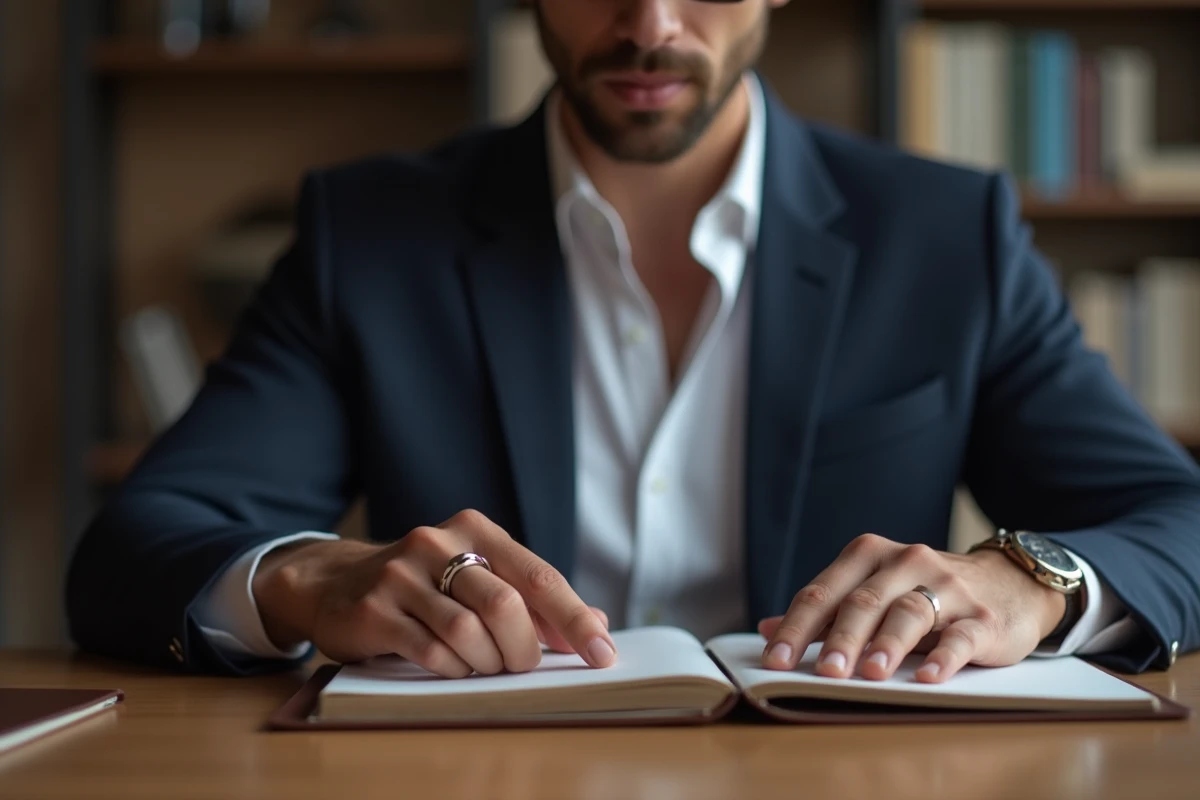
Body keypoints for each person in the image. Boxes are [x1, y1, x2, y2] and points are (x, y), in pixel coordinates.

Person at [68, 0, 1198, 681]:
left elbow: (1178, 519)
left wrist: (1033, 582)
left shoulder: (947, 237)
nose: (651, 25)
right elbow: (135, 547)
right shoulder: (368, 237)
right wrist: (309, 577)